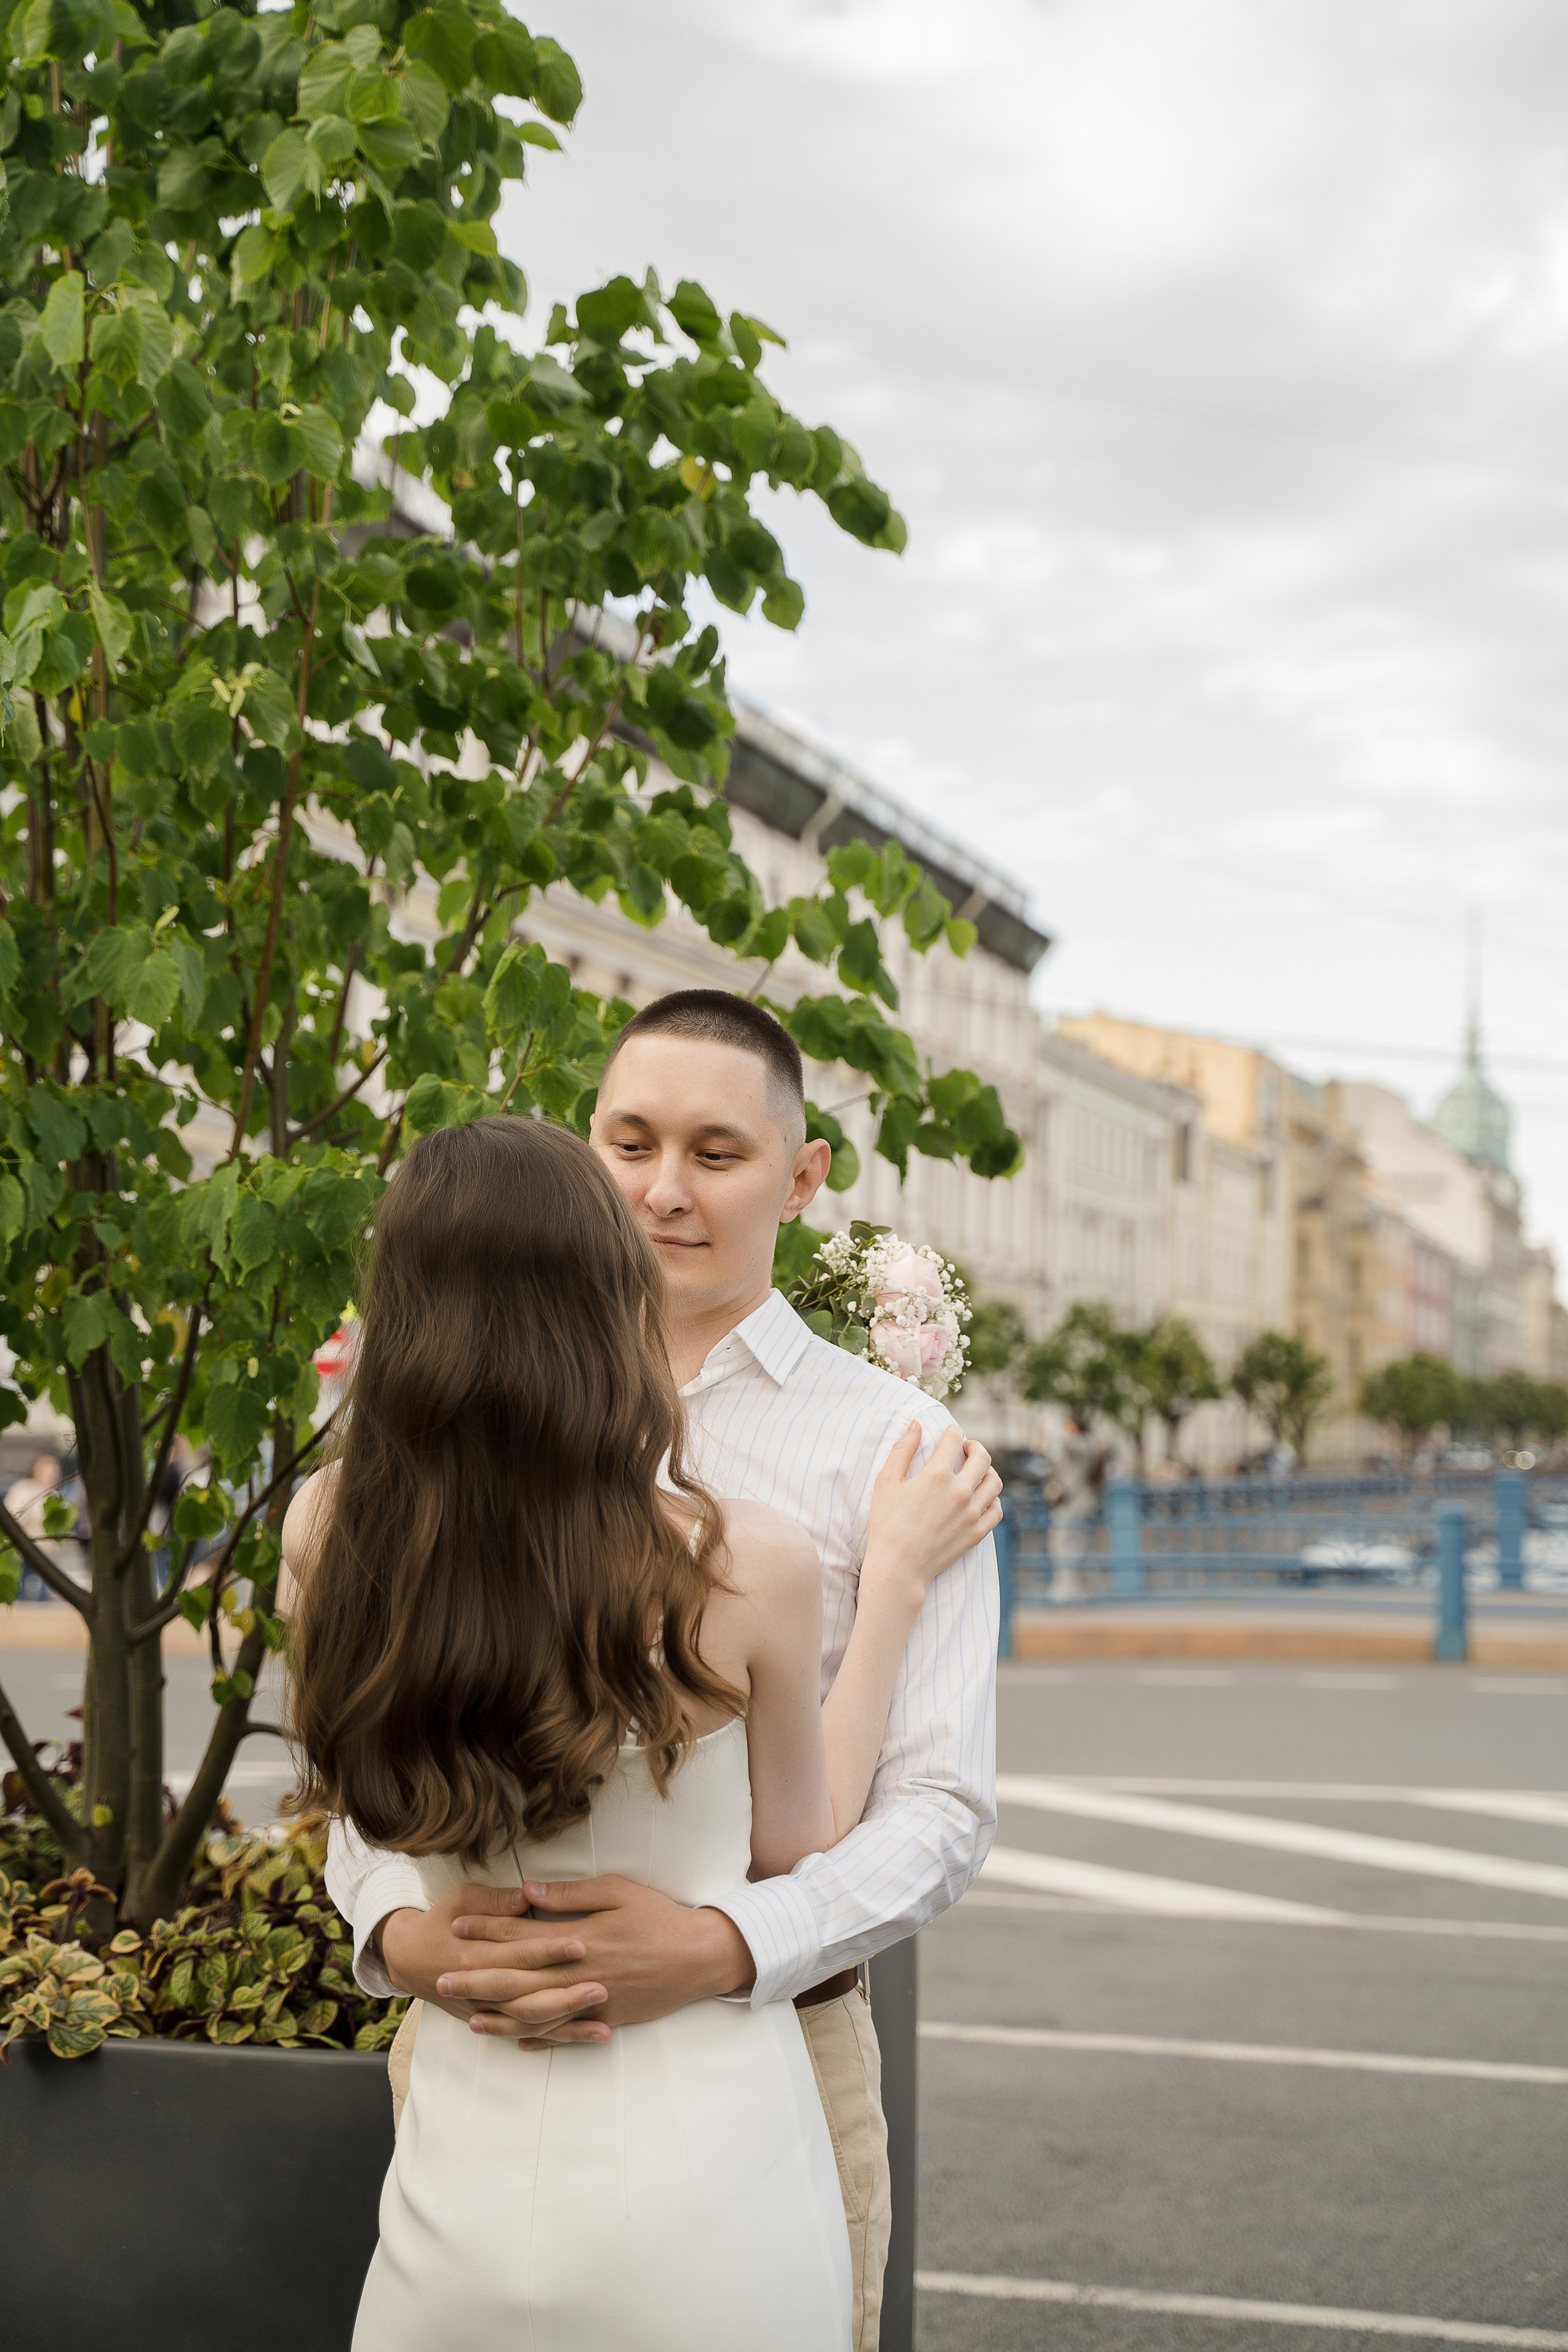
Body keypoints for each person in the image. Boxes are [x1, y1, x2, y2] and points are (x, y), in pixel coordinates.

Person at [323, 989, 1002, 2350]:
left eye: (715, 1152)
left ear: (800, 1179)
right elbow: (370, 1746)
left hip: (769, 2047)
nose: (662, 1190)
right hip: (475, 2038)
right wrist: (395, 1930)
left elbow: (940, 1809)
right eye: (628, 1145)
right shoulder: (442, 1429)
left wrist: (724, 1947)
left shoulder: (892, 1446)